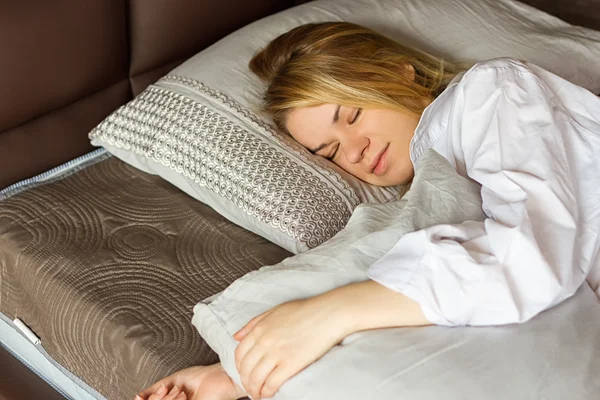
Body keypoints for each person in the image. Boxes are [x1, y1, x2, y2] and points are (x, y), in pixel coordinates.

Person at [136, 22, 600, 400]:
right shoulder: (433, 177)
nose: (354, 153)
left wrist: (331, 313)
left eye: (353, 116)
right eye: (330, 151)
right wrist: (239, 370)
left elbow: (534, 254)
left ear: (402, 74)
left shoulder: (492, 90)